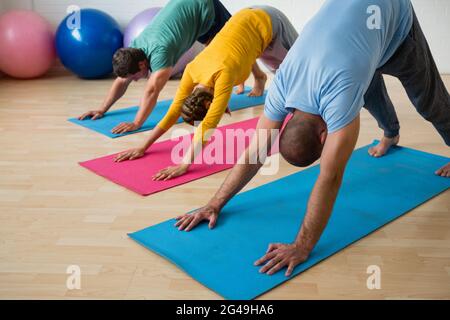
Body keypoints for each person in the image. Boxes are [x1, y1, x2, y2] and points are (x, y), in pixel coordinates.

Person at [173, 0, 449, 277]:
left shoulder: (338, 98)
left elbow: (330, 177)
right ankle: (391, 133)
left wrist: (302, 245)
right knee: (365, 80)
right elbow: (254, 153)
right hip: (357, 41)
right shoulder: (282, 86)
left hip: (393, 19)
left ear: (323, 134)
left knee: (428, 102)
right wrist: (214, 204)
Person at [115, 6, 298, 181]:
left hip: (268, 20)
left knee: (299, 68)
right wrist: (143, 147)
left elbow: (208, 125)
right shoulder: (191, 69)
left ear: (208, 104)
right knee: (286, 76)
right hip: (247, 23)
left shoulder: (223, 76)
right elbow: (173, 112)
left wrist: (184, 165)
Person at [77, 0, 233, 134]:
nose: (136, 81)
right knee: (215, 45)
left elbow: (151, 91)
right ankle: (255, 77)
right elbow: (121, 81)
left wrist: (136, 123)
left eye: (135, 77)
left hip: (203, 6)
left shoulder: (160, 54)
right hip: (188, 12)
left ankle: (258, 78)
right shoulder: (134, 49)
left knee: (231, 40)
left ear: (142, 64)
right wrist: (102, 109)